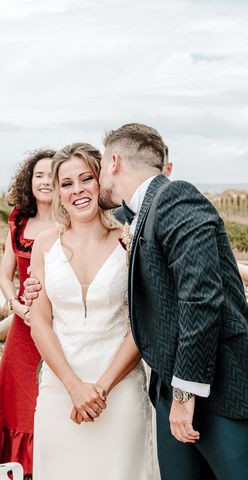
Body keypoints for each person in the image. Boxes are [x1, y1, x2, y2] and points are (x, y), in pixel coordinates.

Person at [98, 123, 248, 479]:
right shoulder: (144, 211)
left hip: (217, 389)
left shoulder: (175, 197)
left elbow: (201, 299)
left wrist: (184, 396)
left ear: (114, 161)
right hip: (173, 385)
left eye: (101, 163)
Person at [28, 143, 157, 479]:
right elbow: (40, 323)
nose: (78, 190)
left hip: (120, 387)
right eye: (67, 183)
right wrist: (74, 387)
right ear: (57, 191)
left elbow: (141, 321)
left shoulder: (129, 240)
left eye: (86, 178)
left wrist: (101, 388)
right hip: (60, 387)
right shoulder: (44, 245)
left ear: (100, 181)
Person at [0, 148, 55, 479]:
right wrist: (17, 306)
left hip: (58, 327)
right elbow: (5, 276)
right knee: (15, 404)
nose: (45, 181)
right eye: (38, 175)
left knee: (47, 404)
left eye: (51, 175)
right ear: (29, 181)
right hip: (23, 328)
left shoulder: (71, 222)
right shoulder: (20, 219)